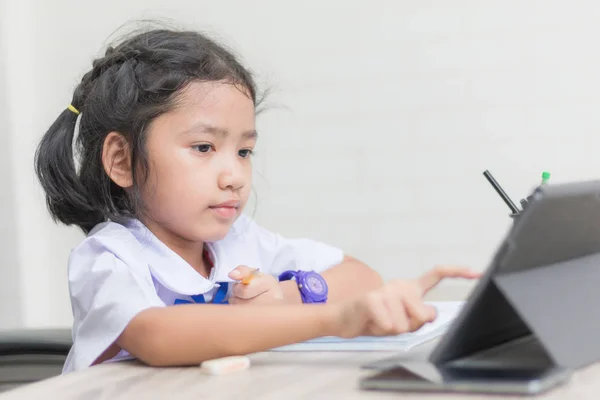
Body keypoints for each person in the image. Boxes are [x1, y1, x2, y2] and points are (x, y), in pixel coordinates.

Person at [34, 27, 480, 374]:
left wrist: (289, 296)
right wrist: (333, 319)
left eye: (244, 151)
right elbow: (157, 335)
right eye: (204, 148)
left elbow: (362, 277)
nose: (234, 177)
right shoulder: (109, 256)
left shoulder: (240, 242)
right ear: (122, 160)